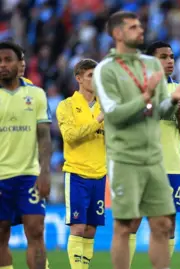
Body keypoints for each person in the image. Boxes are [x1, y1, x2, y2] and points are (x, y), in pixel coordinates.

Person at [93, 11, 180, 269]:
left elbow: (159, 112)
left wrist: (173, 101)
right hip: (126, 158)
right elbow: (113, 114)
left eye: (140, 26)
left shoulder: (150, 68)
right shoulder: (106, 69)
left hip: (157, 161)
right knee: (126, 225)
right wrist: (145, 97)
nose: (141, 30)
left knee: (162, 224)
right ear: (117, 33)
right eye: (133, 26)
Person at [127, 41, 180, 264]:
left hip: (172, 165)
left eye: (172, 56)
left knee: (168, 224)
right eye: (164, 56)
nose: (170, 61)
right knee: (133, 221)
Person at [0, 41, 52, 269]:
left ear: (20, 63)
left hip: (29, 175)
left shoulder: (36, 94)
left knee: (36, 230)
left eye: (7, 60)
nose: (2, 65)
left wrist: (45, 172)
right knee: (1, 235)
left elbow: (44, 136)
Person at [56, 59, 106, 269]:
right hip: (77, 173)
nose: (94, 80)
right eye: (90, 76)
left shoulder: (105, 106)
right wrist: (98, 121)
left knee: (91, 230)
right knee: (78, 227)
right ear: (79, 78)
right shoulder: (66, 106)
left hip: (100, 174)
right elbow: (70, 136)